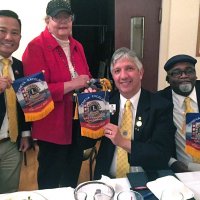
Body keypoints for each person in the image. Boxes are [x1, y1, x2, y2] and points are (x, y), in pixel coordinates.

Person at [22, 0, 91, 189]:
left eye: (66, 17)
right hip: (52, 127)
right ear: (47, 20)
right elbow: (33, 94)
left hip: (78, 123)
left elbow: (85, 77)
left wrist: (89, 86)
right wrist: (72, 84)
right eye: (57, 17)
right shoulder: (35, 47)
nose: (62, 22)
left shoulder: (78, 46)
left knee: (71, 176)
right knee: (50, 179)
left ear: (72, 20)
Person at [93, 47, 176, 179]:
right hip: (108, 179)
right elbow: (85, 144)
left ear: (140, 72)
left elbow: (162, 155)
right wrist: (87, 107)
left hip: (146, 180)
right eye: (117, 71)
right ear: (113, 77)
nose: (124, 76)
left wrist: (123, 142)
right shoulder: (104, 102)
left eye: (129, 68)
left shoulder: (160, 106)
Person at [0, 10, 31, 193]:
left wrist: (26, 133)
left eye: (14, 33)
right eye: (2, 30)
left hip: (12, 145)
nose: (8, 37)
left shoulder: (19, 66)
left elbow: (24, 103)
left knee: (9, 193)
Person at [158, 54, 200, 172]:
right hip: (181, 170)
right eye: (177, 73)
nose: (184, 76)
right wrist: (172, 162)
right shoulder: (159, 101)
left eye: (189, 71)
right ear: (168, 79)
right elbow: (155, 140)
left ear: (195, 75)